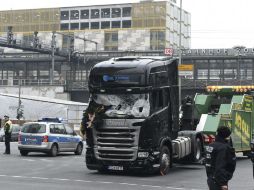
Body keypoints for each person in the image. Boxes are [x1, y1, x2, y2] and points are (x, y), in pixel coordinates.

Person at [205, 126, 236, 190]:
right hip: (218, 181)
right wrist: (223, 183)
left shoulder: (210, 145)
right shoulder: (223, 148)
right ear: (227, 136)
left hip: (211, 178)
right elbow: (220, 166)